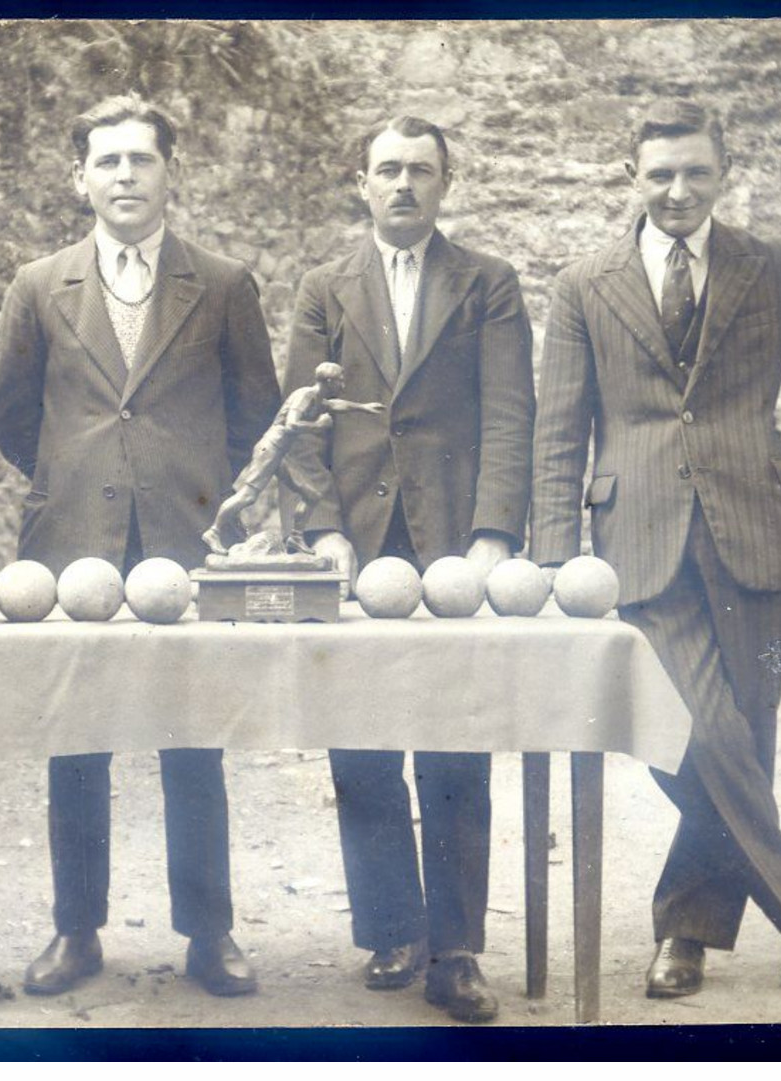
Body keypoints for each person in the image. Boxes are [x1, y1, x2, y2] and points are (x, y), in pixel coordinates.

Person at [529, 99, 781, 1002]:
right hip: (635, 543)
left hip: (760, 532)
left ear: (723, 172)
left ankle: (686, 931)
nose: (677, 190)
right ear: (630, 176)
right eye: (659, 173)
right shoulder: (582, 283)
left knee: (742, 738)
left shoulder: (768, 266)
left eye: (695, 173)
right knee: (698, 734)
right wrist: (554, 562)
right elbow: (558, 429)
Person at [0, 95, 281, 998]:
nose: (124, 176)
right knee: (76, 740)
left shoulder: (223, 283)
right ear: (79, 177)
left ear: (169, 172)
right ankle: (76, 931)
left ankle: (211, 933)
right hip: (70, 545)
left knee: (194, 739)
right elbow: (12, 415)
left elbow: (255, 416)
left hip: (183, 546)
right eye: (107, 161)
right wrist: (73, 483)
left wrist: (199, 499)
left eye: (140, 160)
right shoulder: (39, 284)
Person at [282, 116, 536, 1023]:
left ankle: (456, 947)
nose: (402, 185)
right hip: (356, 542)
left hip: (451, 543)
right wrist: (322, 533)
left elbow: (511, 414)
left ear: (444, 185)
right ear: (360, 182)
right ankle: (391, 927)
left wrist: (492, 535)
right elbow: (300, 425)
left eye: (419, 172)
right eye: (386, 170)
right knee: (358, 741)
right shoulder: (323, 286)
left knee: (455, 740)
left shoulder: (487, 285)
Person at [202, 361, 384, 555]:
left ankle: (296, 537)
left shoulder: (318, 398)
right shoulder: (304, 396)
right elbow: (291, 425)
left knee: (311, 494)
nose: (343, 385)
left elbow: (335, 405)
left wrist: (364, 407)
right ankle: (213, 532)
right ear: (329, 381)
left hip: (280, 453)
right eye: (340, 381)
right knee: (248, 496)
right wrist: (318, 426)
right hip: (270, 449)